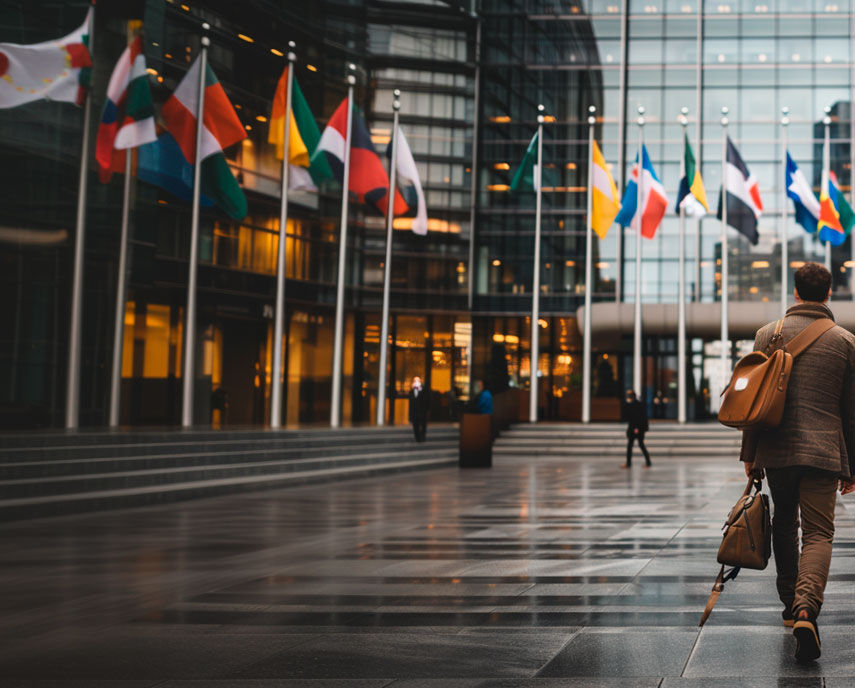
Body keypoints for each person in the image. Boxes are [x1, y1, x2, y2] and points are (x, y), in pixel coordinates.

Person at [741, 262, 855, 663]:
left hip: (776, 451)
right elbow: (851, 412)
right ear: (828, 294)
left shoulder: (766, 334)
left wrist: (749, 455)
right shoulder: (845, 341)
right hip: (824, 452)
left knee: (784, 524)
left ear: (795, 292)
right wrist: (851, 467)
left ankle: (790, 605)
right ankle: (808, 608)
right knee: (819, 535)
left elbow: (753, 403)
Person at [624, 389, 651, 468]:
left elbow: (636, 417)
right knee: (637, 445)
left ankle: (630, 463)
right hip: (638, 428)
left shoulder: (635, 405)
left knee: (637, 445)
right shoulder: (638, 404)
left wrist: (636, 428)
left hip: (635, 429)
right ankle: (647, 462)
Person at [408, 376, 428, 442]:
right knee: (415, 427)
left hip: (422, 413)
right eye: (415, 381)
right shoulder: (411, 392)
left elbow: (426, 402)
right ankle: (417, 438)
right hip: (414, 413)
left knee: (423, 426)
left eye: (418, 381)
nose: (416, 382)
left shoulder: (423, 391)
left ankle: (423, 437)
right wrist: (410, 415)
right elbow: (410, 404)